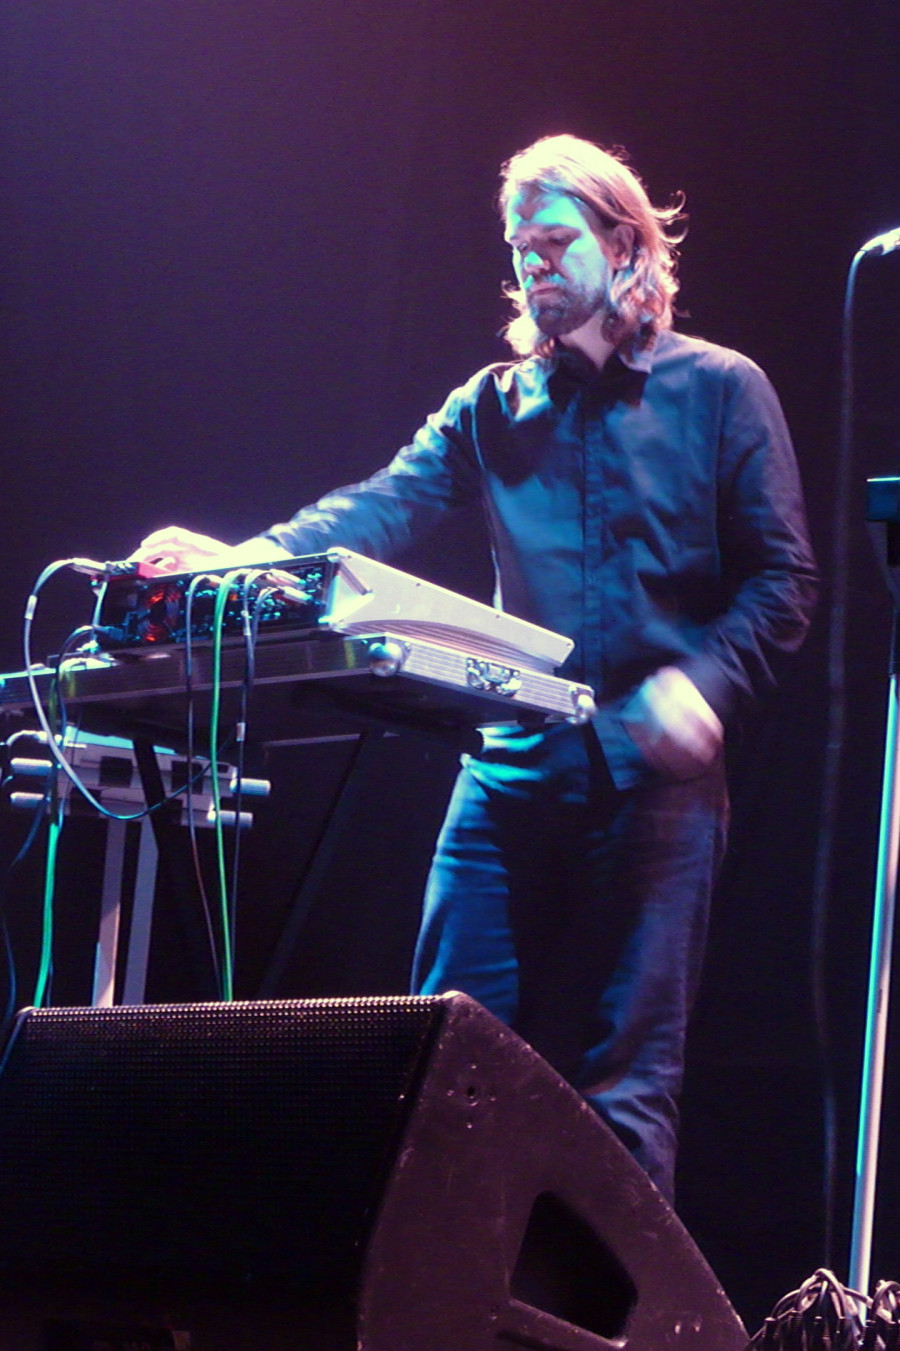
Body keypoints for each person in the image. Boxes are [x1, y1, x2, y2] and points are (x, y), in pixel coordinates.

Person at [131, 134, 817, 1200]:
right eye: (518, 245)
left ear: (623, 243)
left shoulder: (722, 389)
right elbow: (375, 509)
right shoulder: (492, 405)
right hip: (510, 773)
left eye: (555, 240)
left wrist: (708, 684)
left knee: (626, 1093)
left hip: (656, 788)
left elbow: (785, 579)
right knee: (444, 1061)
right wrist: (240, 561)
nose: (532, 261)